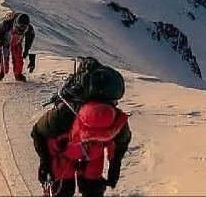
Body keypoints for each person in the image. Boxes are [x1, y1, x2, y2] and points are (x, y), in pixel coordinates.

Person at [31, 61, 131, 197]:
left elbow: (38, 132)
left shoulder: (63, 115)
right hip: (80, 154)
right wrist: (115, 165)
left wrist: (46, 163)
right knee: (83, 189)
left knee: (65, 190)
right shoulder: (117, 122)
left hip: (68, 152)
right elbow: (120, 143)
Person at [0, 11, 35, 82]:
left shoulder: (30, 29)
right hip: (6, 39)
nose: (22, 29)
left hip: (17, 42)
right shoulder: (6, 24)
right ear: (16, 24)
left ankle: (18, 74)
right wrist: (1, 42)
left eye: (24, 27)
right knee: (5, 54)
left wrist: (26, 50)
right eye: (20, 27)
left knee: (18, 57)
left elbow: (29, 40)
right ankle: (3, 72)